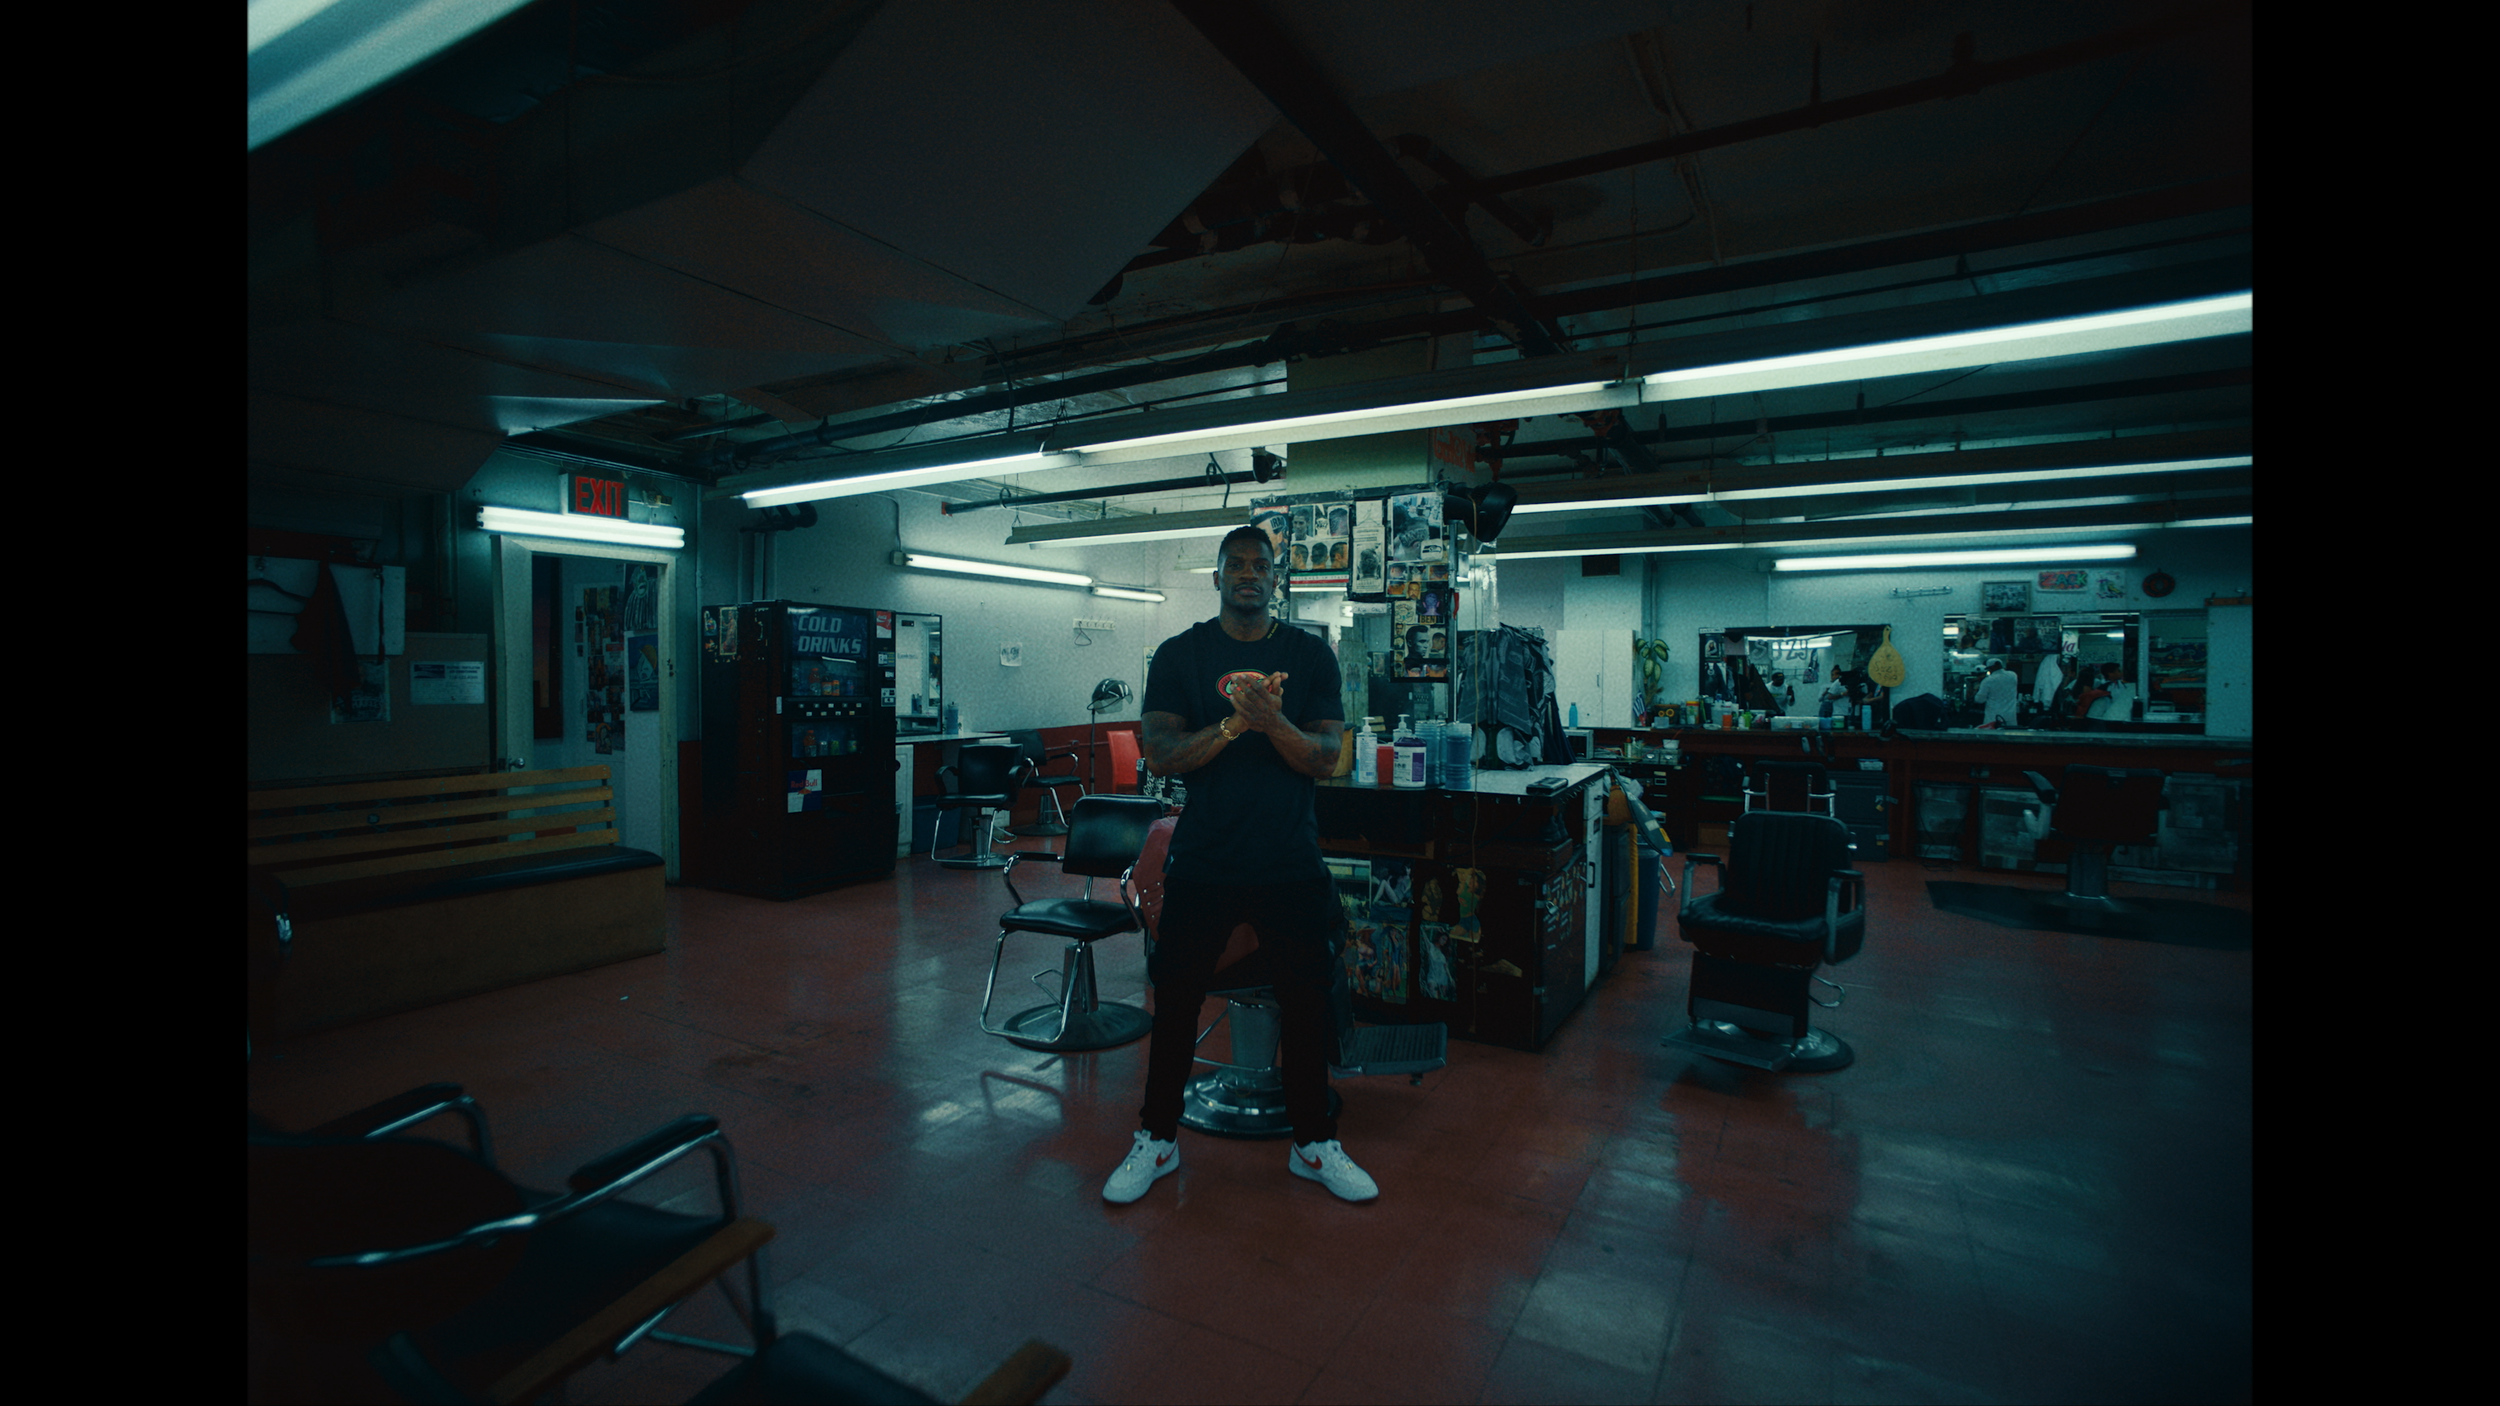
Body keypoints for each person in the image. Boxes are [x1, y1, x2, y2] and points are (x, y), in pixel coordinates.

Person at [1103, 525, 1377, 1205]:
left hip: (1288, 857)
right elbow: (1161, 754)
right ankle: (1157, 1139)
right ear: (1219, 577)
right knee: (1176, 1004)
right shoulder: (1181, 655)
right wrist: (1231, 725)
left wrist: (1272, 722)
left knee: (1307, 1005)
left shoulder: (1309, 656)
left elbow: (1327, 758)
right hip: (1205, 858)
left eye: (1261, 565)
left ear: (1275, 578)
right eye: (1237, 565)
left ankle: (1313, 1144)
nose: (1249, 574)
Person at [1972, 657, 2019, 728]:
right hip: (2010, 716)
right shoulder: (2013, 675)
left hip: (1993, 717)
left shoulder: (1988, 681)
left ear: (1991, 668)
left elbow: (1979, 700)